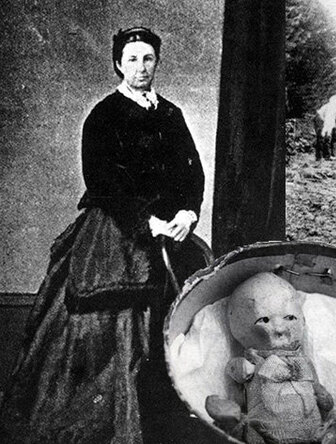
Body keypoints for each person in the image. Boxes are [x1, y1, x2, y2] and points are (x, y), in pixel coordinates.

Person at [0, 27, 205, 443]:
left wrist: (188, 213)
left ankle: (165, 413)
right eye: (132, 60)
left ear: (157, 62)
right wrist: (147, 223)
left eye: (148, 59)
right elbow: (102, 181)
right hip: (118, 229)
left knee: (179, 310)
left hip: (173, 231)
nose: (141, 67)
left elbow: (192, 170)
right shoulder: (103, 115)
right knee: (109, 332)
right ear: (117, 64)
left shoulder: (171, 114)